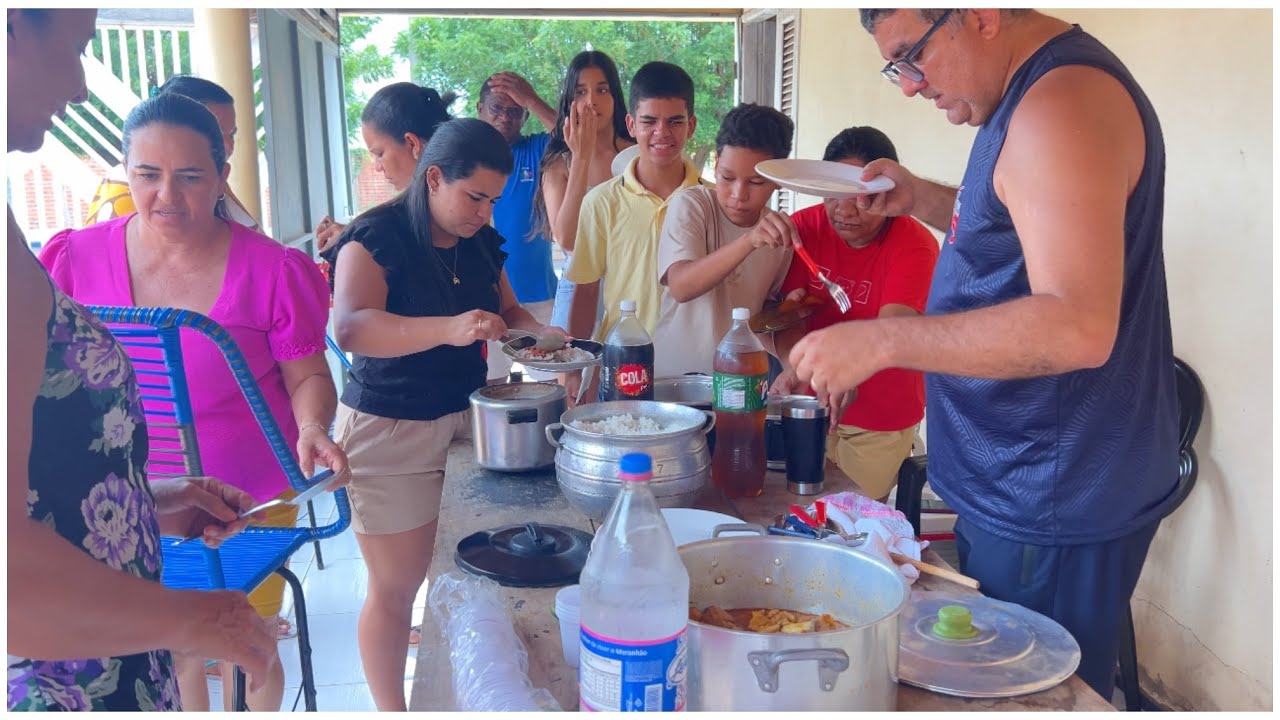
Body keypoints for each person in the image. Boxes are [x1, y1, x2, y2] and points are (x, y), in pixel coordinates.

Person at [790, 9, 1178, 699]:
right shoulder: (1026, 95)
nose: (909, 86)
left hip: (1051, 490)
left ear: (980, 15)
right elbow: (1011, 222)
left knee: (1028, 696)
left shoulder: (1057, 105)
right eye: (894, 65)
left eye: (912, 55)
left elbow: (1077, 326)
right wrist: (922, 198)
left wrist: (881, 339)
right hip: (1026, 479)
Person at [39, 92, 350, 712]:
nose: (166, 197)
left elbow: (308, 377)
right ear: (124, 172)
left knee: (246, 643)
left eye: (190, 177)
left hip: (248, 496)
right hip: (123, 498)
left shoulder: (272, 269)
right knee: (170, 644)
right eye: (147, 175)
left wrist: (313, 426)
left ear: (221, 177)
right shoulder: (72, 261)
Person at [7, 8, 275, 711]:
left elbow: (38, 485)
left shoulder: (266, 263)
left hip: (113, 639)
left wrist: (141, 503)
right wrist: (200, 620)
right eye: (78, 46)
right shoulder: (69, 253)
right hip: (61, 676)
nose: (77, 87)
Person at [325, 118, 565, 711]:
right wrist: (451, 329)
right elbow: (352, 326)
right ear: (433, 178)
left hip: (470, 420)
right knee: (396, 588)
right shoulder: (375, 235)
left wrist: (543, 337)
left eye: (493, 200)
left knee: (465, 577)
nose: (485, 213)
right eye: (475, 196)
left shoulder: (480, 240)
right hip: (390, 431)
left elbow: (508, 310)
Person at [770, 127, 939, 502]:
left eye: (860, 197)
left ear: (885, 194)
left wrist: (850, 371)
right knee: (795, 507)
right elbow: (785, 318)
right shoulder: (805, 229)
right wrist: (794, 369)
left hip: (881, 416)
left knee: (848, 515)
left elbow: (892, 330)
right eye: (834, 194)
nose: (844, 211)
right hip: (811, 405)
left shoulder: (914, 245)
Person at [565, 61, 706, 398]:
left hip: (693, 371)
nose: (662, 133)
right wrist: (576, 365)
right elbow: (586, 291)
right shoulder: (601, 202)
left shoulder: (710, 201)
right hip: (621, 365)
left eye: (675, 121)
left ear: (692, 127)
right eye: (649, 121)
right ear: (631, 124)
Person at [652, 103, 797, 377]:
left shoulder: (778, 235)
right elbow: (681, 286)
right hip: (672, 384)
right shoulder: (693, 205)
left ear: (778, 180)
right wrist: (749, 241)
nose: (738, 195)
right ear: (716, 164)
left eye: (755, 183)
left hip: (738, 385)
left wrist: (789, 312)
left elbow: (762, 313)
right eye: (727, 177)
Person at [533, 51, 635, 338]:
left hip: (634, 279)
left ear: (615, 96)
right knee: (576, 374)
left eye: (602, 89)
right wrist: (581, 156)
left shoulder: (638, 154)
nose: (592, 100)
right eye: (581, 91)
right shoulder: (558, 162)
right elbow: (567, 239)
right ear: (569, 101)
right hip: (578, 281)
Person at [85, 74, 259, 230]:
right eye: (216, 132)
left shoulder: (210, 175)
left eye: (232, 134)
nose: (228, 146)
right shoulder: (122, 193)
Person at [475, 71, 558, 381]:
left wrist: (532, 99)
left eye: (515, 111)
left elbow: (572, 138)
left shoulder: (536, 150)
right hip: (487, 302)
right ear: (479, 108)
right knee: (489, 388)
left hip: (540, 298)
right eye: (497, 108)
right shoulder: (465, 157)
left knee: (553, 385)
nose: (505, 117)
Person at [315, 82, 456, 252]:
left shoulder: (455, 210)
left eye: (380, 154)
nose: (377, 167)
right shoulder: (455, 195)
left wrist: (357, 241)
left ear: (412, 143)